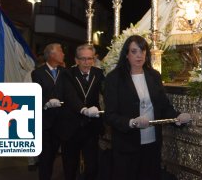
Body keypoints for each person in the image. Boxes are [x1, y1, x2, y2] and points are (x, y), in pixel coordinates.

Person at [104, 35, 192, 179]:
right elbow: (110, 115)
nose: (139, 55)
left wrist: (177, 117)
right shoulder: (114, 78)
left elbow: (163, 106)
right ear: (126, 54)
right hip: (126, 145)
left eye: (142, 51)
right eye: (134, 51)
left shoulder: (154, 75)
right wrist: (131, 122)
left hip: (152, 144)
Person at [59, 44, 105, 180]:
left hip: (90, 128)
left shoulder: (98, 73)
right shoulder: (67, 74)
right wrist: (83, 110)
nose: (87, 62)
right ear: (76, 60)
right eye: (83, 59)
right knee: (70, 166)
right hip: (71, 127)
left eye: (90, 59)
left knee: (92, 166)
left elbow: (107, 91)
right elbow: (70, 95)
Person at [31, 43, 66, 180]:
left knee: (60, 156)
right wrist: (46, 102)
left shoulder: (64, 72)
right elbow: (36, 93)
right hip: (45, 122)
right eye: (60, 51)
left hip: (62, 122)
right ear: (52, 54)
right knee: (46, 157)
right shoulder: (38, 73)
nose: (63, 54)